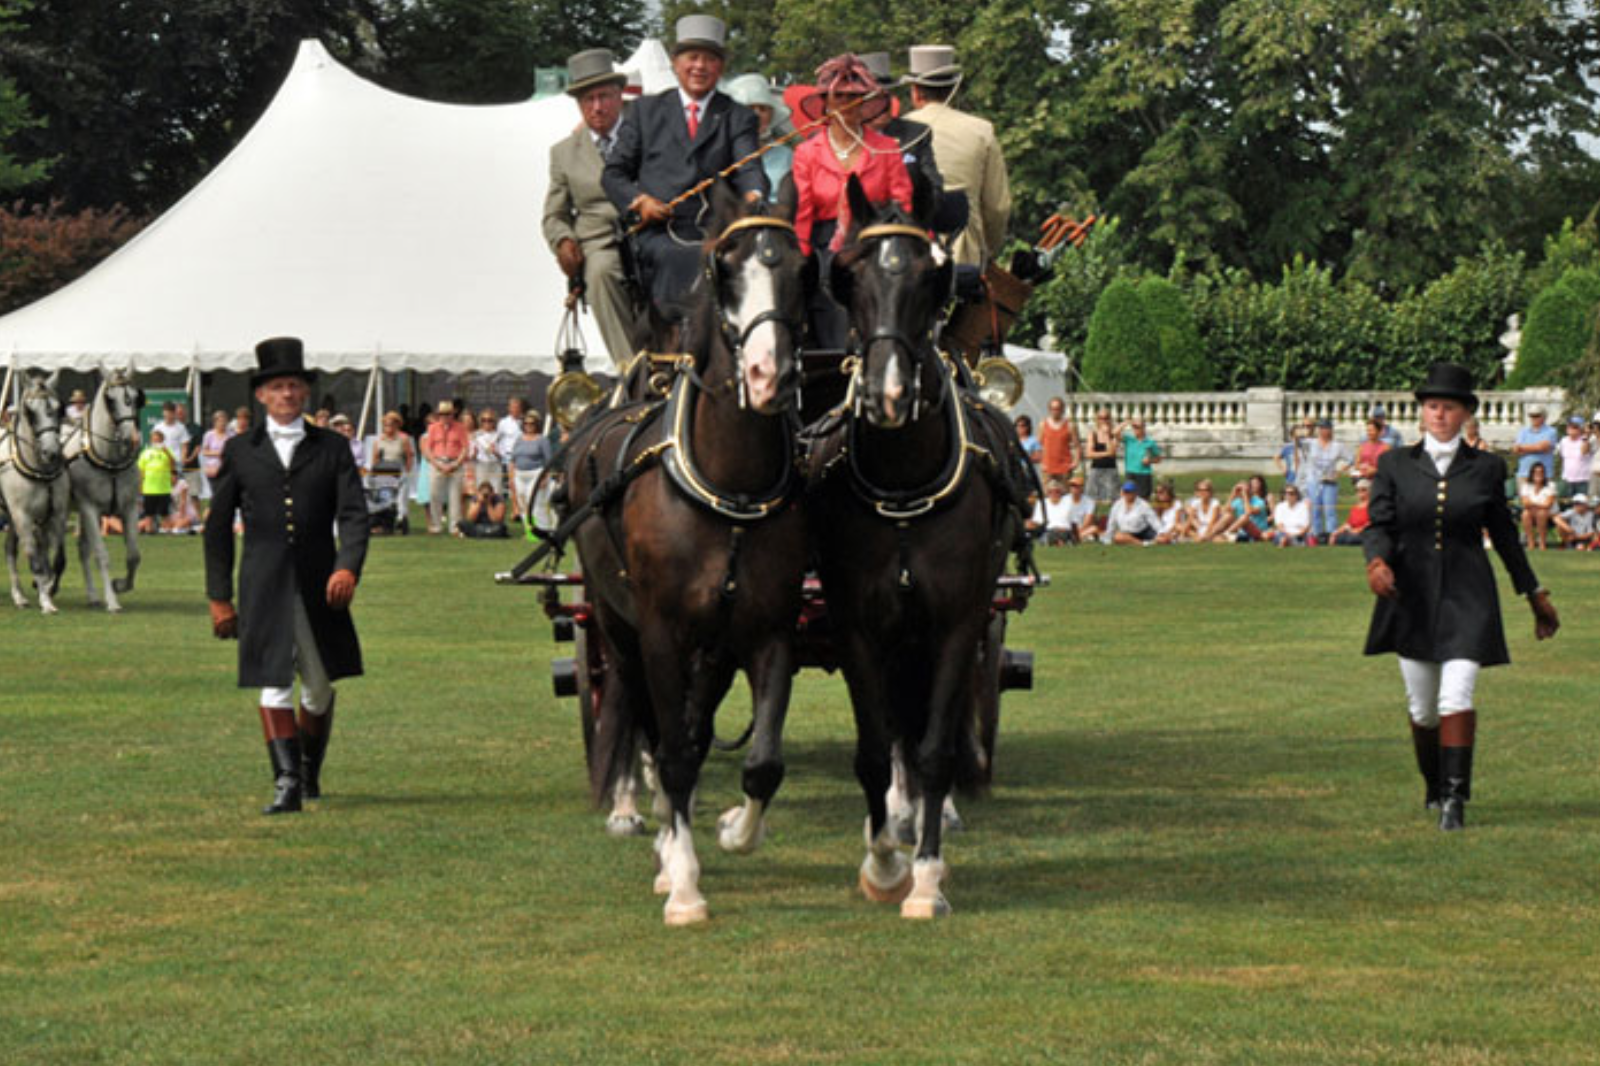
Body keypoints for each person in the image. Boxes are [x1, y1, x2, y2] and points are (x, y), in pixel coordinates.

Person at [1363, 362, 1558, 831]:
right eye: (1432, 406)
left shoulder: (1488, 468)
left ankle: (1455, 799)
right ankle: (1433, 784)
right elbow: (1380, 525)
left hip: (1469, 594)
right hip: (1410, 596)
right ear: (1421, 413)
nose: (1439, 414)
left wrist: (1533, 594)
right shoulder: (1394, 464)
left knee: (1457, 694)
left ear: (1466, 413)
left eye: (1448, 407)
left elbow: (1507, 538)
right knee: (1423, 709)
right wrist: (1376, 562)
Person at [204, 337, 370, 816]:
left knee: (318, 687)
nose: (287, 395)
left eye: (294, 386)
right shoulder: (240, 450)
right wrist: (219, 597)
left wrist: (347, 566)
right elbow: (216, 529)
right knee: (273, 681)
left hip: (321, 583)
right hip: (262, 583)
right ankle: (286, 783)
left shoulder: (333, 448)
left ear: (305, 393)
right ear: (261, 395)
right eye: (278, 387)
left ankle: (309, 769)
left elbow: (355, 516)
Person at [602, 15, 766, 314]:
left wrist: (754, 195)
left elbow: (750, 169)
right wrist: (640, 202)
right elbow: (613, 174)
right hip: (660, 230)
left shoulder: (738, 117)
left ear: (721, 67)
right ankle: (678, 340)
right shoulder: (644, 111)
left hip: (719, 230)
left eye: (710, 59)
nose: (700, 67)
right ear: (675, 63)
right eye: (692, 57)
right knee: (681, 257)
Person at [791, 53, 911, 347]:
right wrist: (800, 260)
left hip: (874, 242)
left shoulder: (886, 148)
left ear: (867, 101)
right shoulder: (807, 153)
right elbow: (802, 214)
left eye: (856, 97)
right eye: (840, 97)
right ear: (826, 103)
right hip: (824, 245)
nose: (848, 104)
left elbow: (903, 204)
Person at [543, 49, 646, 369]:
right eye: (588, 100)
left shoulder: (646, 135)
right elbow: (553, 215)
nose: (597, 106)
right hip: (600, 243)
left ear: (619, 96)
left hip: (650, 232)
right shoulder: (563, 153)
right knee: (601, 273)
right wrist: (562, 241)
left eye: (604, 96)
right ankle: (632, 370)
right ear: (579, 105)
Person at [903, 45, 1011, 267]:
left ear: (915, 91)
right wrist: (987, 249)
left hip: (906, 255)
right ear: (954, 89)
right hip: (964, 253)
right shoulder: (982, 131)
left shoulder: (895, 133)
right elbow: (997, 207)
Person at [860, 51, 943, 204]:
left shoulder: (915, 134)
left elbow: (934, 189)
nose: (884, 105)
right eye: (874, 99)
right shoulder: (841, 139)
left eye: (887, 96)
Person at [724, 73, 793, 205]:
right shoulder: (719, 154)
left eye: (763, 109)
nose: (756, 115)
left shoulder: (787, 156)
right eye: (749, 108)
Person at [1299, 419, 1351, 544]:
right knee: (1315, 510)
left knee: (1330, 511)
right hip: (1314, 481)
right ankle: (1316, 536)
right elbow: (1298, 442)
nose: (1323, 431)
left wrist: (1339, 472)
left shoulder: (1337, 446)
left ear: (1331, 430)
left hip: (1330, 481)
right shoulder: (1310, 443)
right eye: (1321, 428)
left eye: (1326, 428)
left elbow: (1351, 459)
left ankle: (1331, 536)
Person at [424, 399, 468, 535]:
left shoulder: (460, 428)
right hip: (438, 462)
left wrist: (456, 464)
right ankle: (436, 526)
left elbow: (465, 448)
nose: (445, 417)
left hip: (455, 462)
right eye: (442, 414)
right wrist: (436, 464)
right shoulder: (433, 428)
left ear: (453, 414)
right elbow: (428, 448)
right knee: (434, 495)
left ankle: (454, 527)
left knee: (455, 496)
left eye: (448, 414)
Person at [509, 409, 554, 520]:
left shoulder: (542, 440)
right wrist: (511, 478)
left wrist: (545, 478)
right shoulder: (519, 440)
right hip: (519, 475)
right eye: (526, 423)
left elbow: (549, 460)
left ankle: (540, 528)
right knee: (523, 503)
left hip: (536, 474)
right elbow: (512, 460)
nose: (528, 426)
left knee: (535, 502)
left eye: (532, 423)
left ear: (536, 425)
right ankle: (528, 530)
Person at [1512, 404, 1557, 494]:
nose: (1533, 418)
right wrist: (1537, 447)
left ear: (1544, 416)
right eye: (1531, 416)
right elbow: (1515, 449)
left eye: (1536, 415)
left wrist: (1523, 448)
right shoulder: (1523, 431)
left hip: (1544, 474)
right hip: (1525, 473)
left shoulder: (1551, 431)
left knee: (1544, 503)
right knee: (1526, 504)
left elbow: (1544, 447)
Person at [137, 427, 175, 534]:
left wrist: (166, 451)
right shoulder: (145, 453)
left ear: (162, 440)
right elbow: (140, 470)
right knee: (149, 513)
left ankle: (168, 531)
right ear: (151, 440)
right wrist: (140, 485)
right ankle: (150, 531)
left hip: (163, 488)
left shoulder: (167, 452)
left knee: (165, 513)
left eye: (158, 439)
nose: (156, 441)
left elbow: (173, 464)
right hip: (149, 488)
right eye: (154, 439)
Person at [1116, 417, 1161, 499]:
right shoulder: (1129, 439)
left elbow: (1158, 458)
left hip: (1144, 473)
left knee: (1143, 498)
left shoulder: (1150, 442)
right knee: (1128, 497)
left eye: (1137, 427)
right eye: (1134, 427)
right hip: (1131, 472)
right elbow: (1115, 433)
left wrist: (1150, 460)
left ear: (1143, 428)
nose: (1135, 429)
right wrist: (1125, 423)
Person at [1036, 396, 1077, 485]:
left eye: (1058, 409)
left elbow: (1077, 446)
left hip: (1064, 467)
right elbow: (1038, 446)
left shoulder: (1070, 425)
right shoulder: (1043, 424)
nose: (1055, 411)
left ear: (1062, 409)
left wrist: (1075, 462)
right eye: (1053, 409)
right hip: (1048, 468)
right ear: (1049, 410)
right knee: (1047, 495)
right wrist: (1041, 463)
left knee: (1065, 495)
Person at [1084, 410, 1120, 509]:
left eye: (1106, 418)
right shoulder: (1093, 434)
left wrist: (1107, 435)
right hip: (1096, 470)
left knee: (1112, 500)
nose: (1104, 420)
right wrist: (1106, 453)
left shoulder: (1114, 435)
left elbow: (1112, 452)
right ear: (1097, 420)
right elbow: (1089, 454)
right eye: (1101, 418)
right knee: (1091, 500)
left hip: (1111, 470)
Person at [199, 409, 234, 507]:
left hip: (227, 468)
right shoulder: (209, 435)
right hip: (212, 469)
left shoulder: (231, 435)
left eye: (224, 421)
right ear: (215, 422)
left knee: (226, 494)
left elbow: (234, 451)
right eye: (220, 421)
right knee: (215, 494)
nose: (222, 423)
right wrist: (218, 453)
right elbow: (204, 451)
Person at [1519, 461, 1556, 549]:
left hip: (1549, 514)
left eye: (1541, 472)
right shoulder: (1526, 485)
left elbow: (1548, 505)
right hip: (1531, 513)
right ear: (1532, 474)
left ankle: (1542, 543)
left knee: (1541, 513)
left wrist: (1533, 504)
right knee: (1525, 514)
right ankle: (1531, 542)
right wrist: (1538, 505)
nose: (1539, 474)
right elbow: (1525, 503)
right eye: (1536, 472)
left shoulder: (1551, 485)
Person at [1224, 475, 1272, 542]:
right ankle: (1212, 536)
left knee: (1244, 517)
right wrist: (1233, 494)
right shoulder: (1238, 501)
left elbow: (1248, 512)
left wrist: (1245, 495)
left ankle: (1226, 533)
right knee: (1227, 516)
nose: (1241, 491)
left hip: (1258, 531)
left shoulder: (1259, 501)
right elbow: (1225, 511)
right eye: (1240, 490)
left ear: (1249, 489)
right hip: (1243, 532)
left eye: (1243, 489)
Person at [1557, 414, 1592, 499]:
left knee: (1582, 506)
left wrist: (1586, 436)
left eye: (1575, 426)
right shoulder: (1563, 441)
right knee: (1566, 506)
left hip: (1582, 481)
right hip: (1567, 480)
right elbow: (1561, 457)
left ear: (1581, 429)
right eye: (1569, 425)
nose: (1571, 428)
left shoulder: (1585, 439)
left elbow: (1584, 451)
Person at [1330, 479, 1373, 545]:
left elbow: (1371, 523)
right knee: (1337, 537)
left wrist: (1358, 530)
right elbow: (1348, 524)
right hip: (1352, 533)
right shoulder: (1355, 507)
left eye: (1363, 490)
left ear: (1369, 491)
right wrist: (1336, 533)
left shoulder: (1373, 506)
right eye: (1358, 490)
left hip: (1366, 533)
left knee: (1351, 539)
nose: (1360, 492)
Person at [470, 408, 502, 495]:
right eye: (484, 420)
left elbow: (502, 456)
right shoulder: (476, 435)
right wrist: (474, 454)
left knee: (496, 491)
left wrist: (495, 452)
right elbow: (471, 456)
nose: (486, 423)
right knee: (481, 492)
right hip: (481, 465)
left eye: (489, 420)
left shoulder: (499, 435)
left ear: (494, 421)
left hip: (495, 466)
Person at [1276, 417, 1311, 492]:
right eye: (1296, 433)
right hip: (1291, 475)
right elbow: (1276, 457)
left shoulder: (1304, 444)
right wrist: (1283, 469)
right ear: (1292, 435)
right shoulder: (1288, 447)